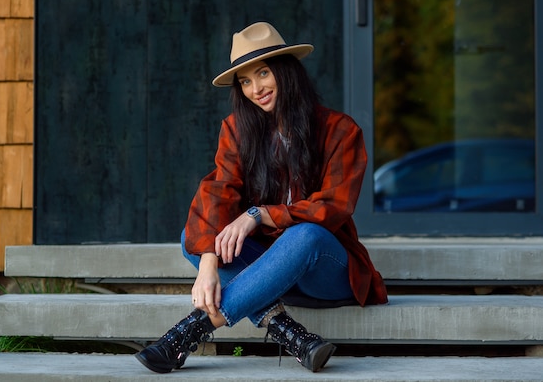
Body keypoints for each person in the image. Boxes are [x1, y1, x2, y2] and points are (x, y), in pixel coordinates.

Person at [135, 21, 388, 374]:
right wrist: (208, 264)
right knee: (193, 240)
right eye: (245, 81)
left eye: (264, 73)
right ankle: (289, 331)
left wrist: (258, 214)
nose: (256, 89)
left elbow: (332, 207)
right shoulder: (238, 130)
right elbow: (219, 190)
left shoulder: (339, 131)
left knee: (305, 234)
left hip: (324, 272)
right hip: (271, 271)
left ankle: (193, 330)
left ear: (286, 71)